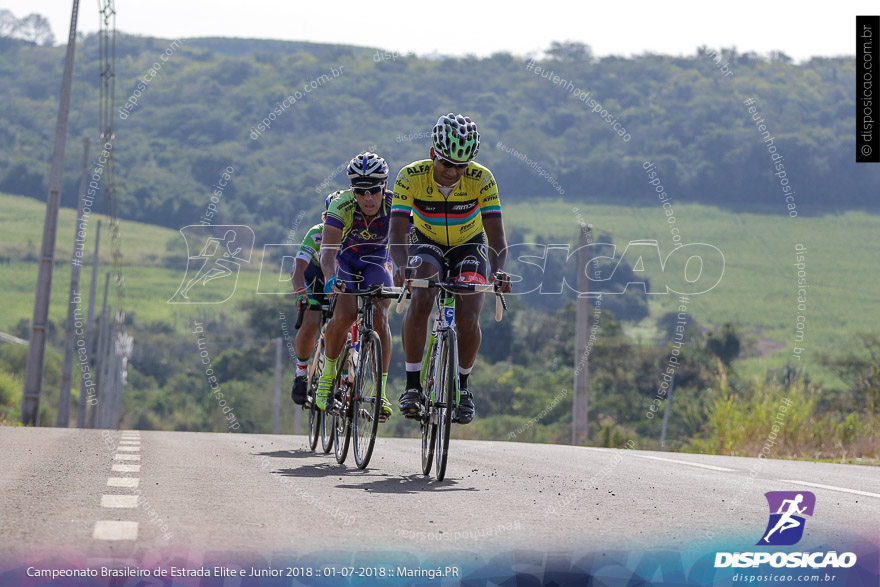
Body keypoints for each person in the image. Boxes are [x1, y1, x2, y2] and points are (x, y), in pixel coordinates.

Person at [389, 113, 511, 425]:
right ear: (433, 155)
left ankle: (464, 388)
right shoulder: (410, 176)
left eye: (461, 166)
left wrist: (497, 272)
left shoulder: (482, 179)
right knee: (423, 291)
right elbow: (397, 230)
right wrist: (402, 267)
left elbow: (496, 235)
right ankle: (413, 386)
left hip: (468, 245)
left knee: (469, 313)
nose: (453, 172)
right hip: (424, 242)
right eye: (446, 163)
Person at [315, 152, 395, 419]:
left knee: (382, 317)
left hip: (376, 263)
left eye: (374, 190)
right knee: (346, 314)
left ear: (384, 186)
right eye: (361, 192)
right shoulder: (342, 205)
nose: (368, 198)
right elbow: (327, 253)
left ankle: (381, 391)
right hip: (345, 262)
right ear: (353, 190)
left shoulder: (396, 205)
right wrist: (330, 278)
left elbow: (408, 244)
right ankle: (328, 376)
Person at [289, 195, 335, 405]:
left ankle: (343, 378)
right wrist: (300, 292)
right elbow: (298, 267)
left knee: (343, 324)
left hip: (341, 277)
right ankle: (301, 373)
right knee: (311, 322)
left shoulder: (356, 233)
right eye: (329, 218)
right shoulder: (316, 233)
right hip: (315, 278)